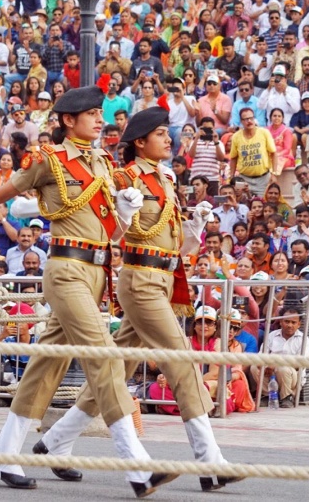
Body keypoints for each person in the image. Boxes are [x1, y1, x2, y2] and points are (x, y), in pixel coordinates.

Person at [0, 79, 172, 496]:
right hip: (65, 270)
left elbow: (111, 235)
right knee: (104, 357)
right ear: (68, 120)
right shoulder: (50, 159)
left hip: (95, 272)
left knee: (46, 366)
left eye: (100, 113)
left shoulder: (101, 164)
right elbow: (11, 190)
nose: (100, 119)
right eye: (92, 114)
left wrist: (126, 213)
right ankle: (137, 465)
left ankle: (4, 454)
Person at [35, 107, 240, 492]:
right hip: (141, 280)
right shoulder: (125, 177)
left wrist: (193, 229)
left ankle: (56, 439)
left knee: (119, 370)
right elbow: (111, 227)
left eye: (168, 133)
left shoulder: (166, 179)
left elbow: (176, 242)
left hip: (163, 277)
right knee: (182, 359)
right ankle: (209, 460)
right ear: (140, 142)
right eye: (160, 134)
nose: (168, 139)